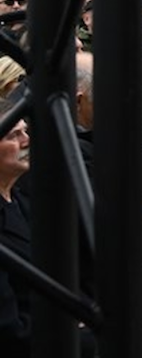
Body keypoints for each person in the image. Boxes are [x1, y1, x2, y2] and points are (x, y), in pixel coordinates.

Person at [0, 117, 31, 358]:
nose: (26, 140)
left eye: (25, 131)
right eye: (13, 135)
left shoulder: (25, 202)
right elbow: (9, 328)